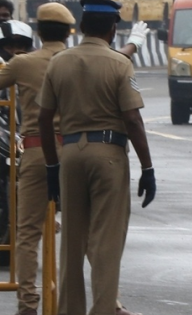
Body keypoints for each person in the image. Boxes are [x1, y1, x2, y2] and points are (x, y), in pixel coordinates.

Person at [0, 2, 150, 315]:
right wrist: (148, 167)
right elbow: (130, 109)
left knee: (42, 235)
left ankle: (34, 305)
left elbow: (42, 114)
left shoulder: (39, 63)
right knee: (102, 237)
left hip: (52, 153)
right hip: (95, 152)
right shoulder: (113, 61)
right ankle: (109, 305)